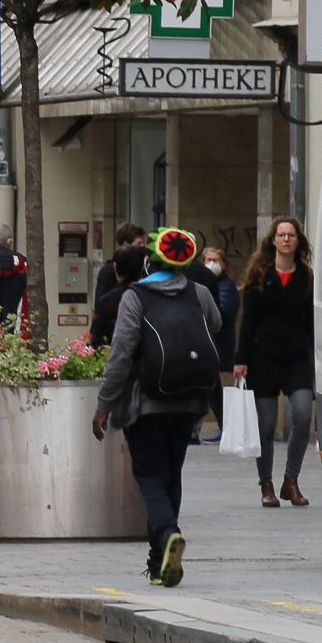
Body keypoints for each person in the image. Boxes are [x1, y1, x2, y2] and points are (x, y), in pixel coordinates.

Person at [93, 228, 221, 588]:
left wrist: (104, 405)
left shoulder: (137, 295)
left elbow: (120, 355)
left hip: (146, 402)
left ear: (152, 259)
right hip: (189, 401)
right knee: (171, 474)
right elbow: (216, 325)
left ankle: (167, 535)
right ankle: (159, 564)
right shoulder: (199, 292)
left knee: (149, 476)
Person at [235, 216, 316, 508]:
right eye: (281, 235)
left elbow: (311, 322)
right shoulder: (260, 274)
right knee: (266, 426)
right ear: (273, 240)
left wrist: (314, 357)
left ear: (297, 241)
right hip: (263, 358)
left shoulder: (306, 276)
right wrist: (241, 359)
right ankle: (266, 484)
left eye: (291, 235)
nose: (286, 240)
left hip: (296, 358)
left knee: (303, 415)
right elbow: (249, 320)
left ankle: (290, 480)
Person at [198, 247, 241, 444]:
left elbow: (223, 313)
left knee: (218, 389)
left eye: (216, 259)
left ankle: (227, 427)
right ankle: (224, 427)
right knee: (212, 389)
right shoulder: (207, 284)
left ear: (224, 264)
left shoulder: (226, 286)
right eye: (208, 259)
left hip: (220, 344)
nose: (212, 263)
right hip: (210, 343)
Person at [90, 246, 147, 347]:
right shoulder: (149, 296)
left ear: (116, 268)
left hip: (114, 353)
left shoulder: (108, 301)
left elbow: (96, 338)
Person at [94, 222, 150, 306]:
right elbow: (101, 305)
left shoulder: (145, 267)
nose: (143, 247)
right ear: (126, 245)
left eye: (143, 243)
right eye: (139, 243)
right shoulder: (109, 270)